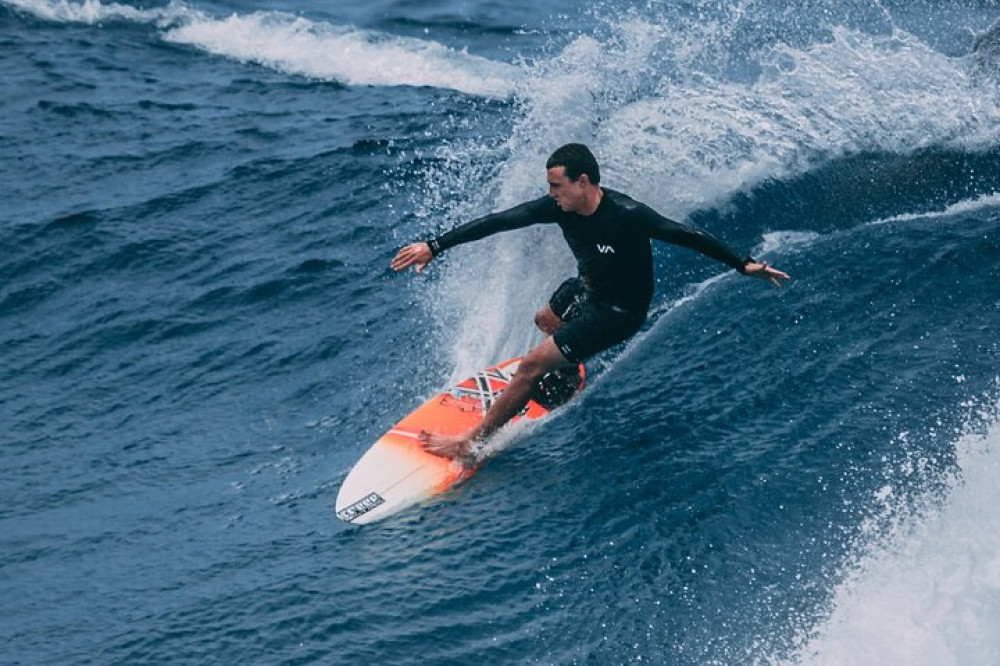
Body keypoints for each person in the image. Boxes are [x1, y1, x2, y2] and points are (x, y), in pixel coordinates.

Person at [391, 143, 789, 461]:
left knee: (530, 366)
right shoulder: (560, 208)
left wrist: (743, 264)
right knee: (545, 318)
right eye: (549, 188)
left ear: (583, 182)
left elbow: (686, 235)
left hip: (620, 312)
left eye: (556, 186)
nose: (551, 195)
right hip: (589, 287)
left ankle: (469, 443)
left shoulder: (627, 214)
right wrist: (435, 245)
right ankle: (566, 370)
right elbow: (500, 220)